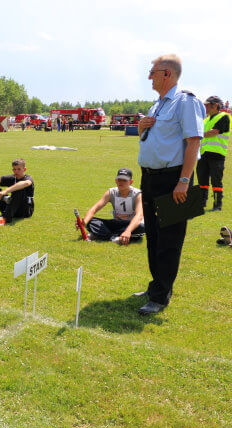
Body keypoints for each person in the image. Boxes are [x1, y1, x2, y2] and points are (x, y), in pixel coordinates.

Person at [135, 53, 205, 315]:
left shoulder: (185, 102)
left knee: (170, 238)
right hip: (150, 177)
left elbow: (194, 142)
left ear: (167, 74)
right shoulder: (158, 105)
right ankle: (157, 285)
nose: (149, 76)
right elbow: (151, 139)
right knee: (152, 234)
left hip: (174, 178)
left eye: (152, 71)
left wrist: (184, 181)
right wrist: (142, 127)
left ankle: (160, 295)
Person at [82, 168, 145, 244]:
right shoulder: (111, 192)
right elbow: (94, 209)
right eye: (119, 180)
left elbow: (139, 216)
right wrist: (84, 222)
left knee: (142, 227)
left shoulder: (138, 194)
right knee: (91, 221)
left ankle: (100, 234)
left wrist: (128, 231)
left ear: (131, 182)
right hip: (117, 223)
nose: (121, 182)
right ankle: (113, 237)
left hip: (131, 224)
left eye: (124, 180)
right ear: (116, 180)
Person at [197, 95, 229, 211]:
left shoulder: (224, 117)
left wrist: (198, 134)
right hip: (204, 154)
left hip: (217, 155)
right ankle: (201, 203)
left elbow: (214, 132)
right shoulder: (205, 120)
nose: (205, 107)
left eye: (207, 105)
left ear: (215, 105)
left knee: (216, 180)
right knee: (202, 180)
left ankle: (217, 204)